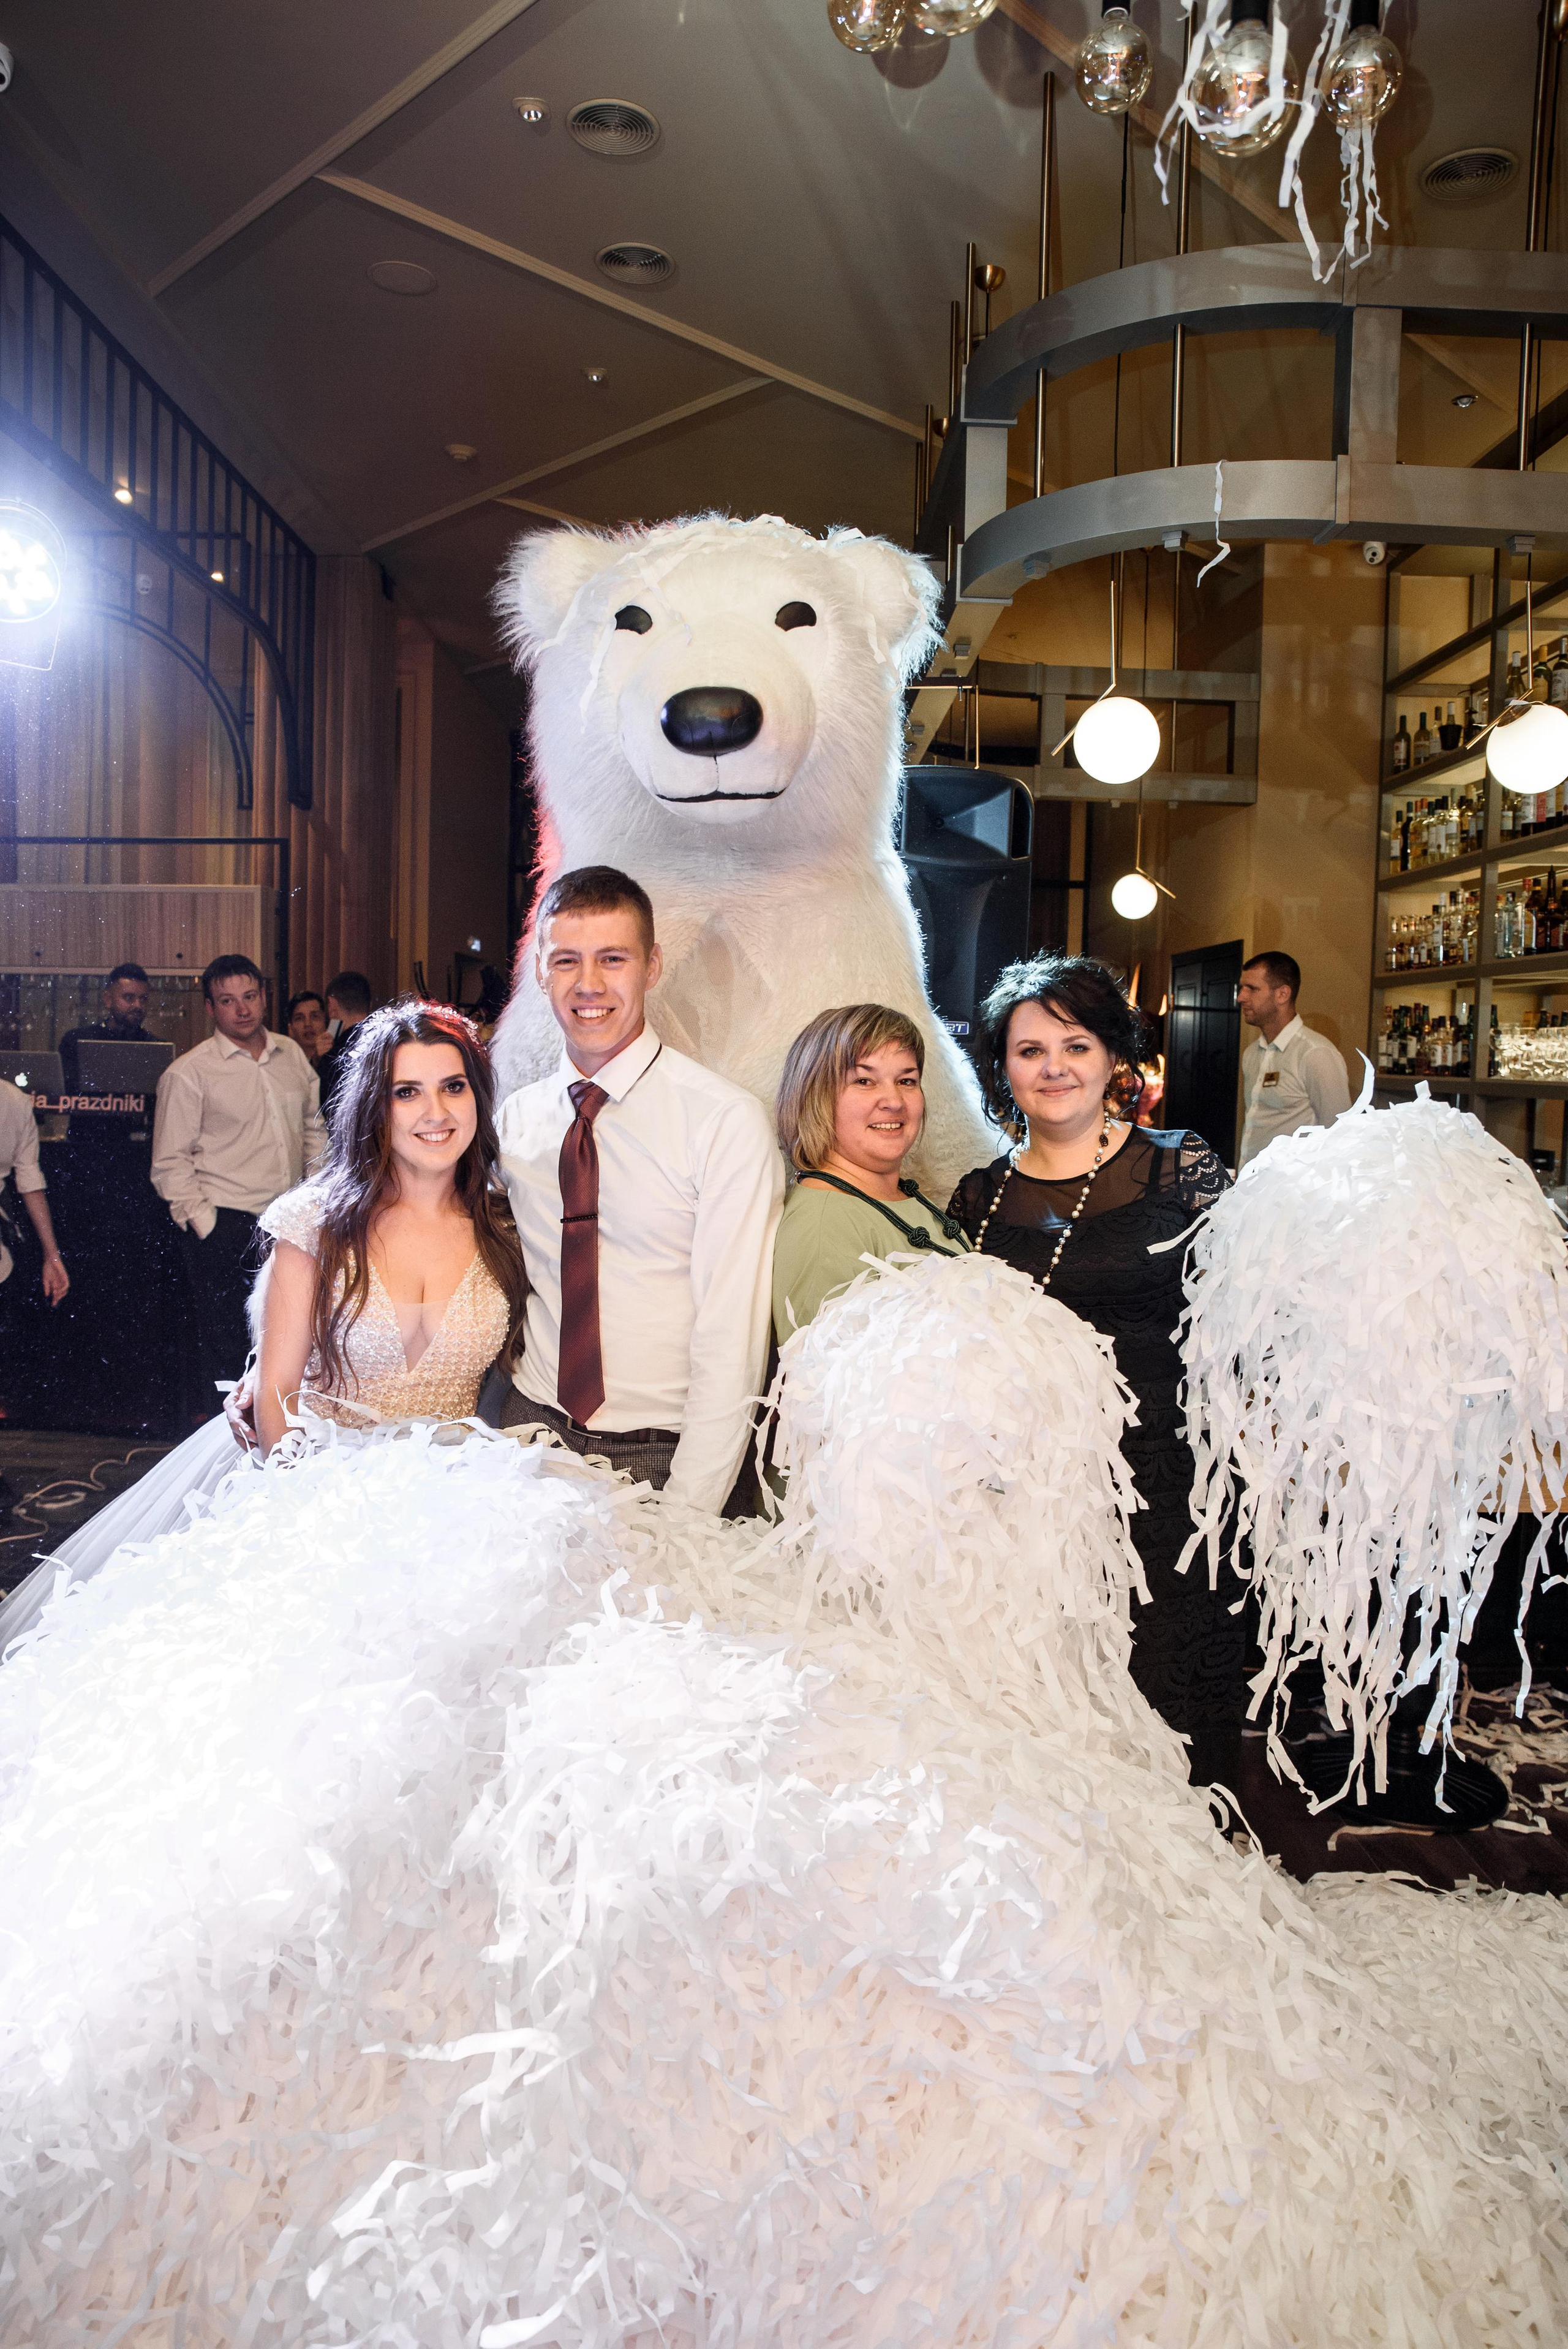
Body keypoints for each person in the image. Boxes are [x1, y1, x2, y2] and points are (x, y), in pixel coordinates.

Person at [0, 1002, 526, 1654]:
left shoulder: (507, 1223)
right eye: (407, 1092)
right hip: (324, 1496)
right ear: (374, 1107)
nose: (436, 1113)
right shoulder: (315, 1224)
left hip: (459, 1502)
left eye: (453, 1087)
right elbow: (276, 1388)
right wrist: (307, 1518)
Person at [949, 953, 1245, 1791]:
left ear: (1114, 1055)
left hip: (1169, 1481)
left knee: (1168, 1702)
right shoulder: (977, 1199)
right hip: (1041, 1495)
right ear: (1003, 1067)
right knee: (1061, 1718)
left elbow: (1245, 1322)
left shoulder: (1180, 1169)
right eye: (1030, 1050)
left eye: (1075, 1045)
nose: (1054, 1068)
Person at [496, 864, 783, 1512]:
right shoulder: (514, 1121)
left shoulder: (722, 1121)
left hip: (661, 1453)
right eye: (566, 960)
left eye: (612, 959)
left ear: (651, 967)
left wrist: (690, 1513)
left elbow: (731, 1337)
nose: (588, 984)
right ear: (539, 969)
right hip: (529, 1432)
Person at [151, 954, 325, 1410]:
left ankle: (278, 1438)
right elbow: (169, 1163)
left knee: (292, 1340)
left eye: (250, 997)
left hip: (288, 1221)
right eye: (228, 1001)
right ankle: (230, 1460)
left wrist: (316, 1197)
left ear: (264, 996)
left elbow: (314, 1132)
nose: (242, 1009)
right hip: (226, 1223)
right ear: (211, 1008)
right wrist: (207, 1225)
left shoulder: (291, 1056)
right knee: (229, 1351)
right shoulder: (190, 1072)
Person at [772, 1001, 968, 1341]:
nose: (893, 1101)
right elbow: (827, 1387)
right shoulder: (825, 1224)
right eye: (864, 1080)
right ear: (815, 1095)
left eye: (907, 1081)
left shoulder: (898, 1196)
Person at [1237, 949, 1351, 1170]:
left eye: (1251, 989)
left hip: (1293, 1195)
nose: (1241, 997)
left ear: (1282, 994)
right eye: (1242, 988)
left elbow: (1339, 1135)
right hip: (1250, 1191)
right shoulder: (1251, 1053)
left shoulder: (1316, 1054)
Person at [57, 962, 156, 1091]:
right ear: (108, 999)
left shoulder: (155, 1046)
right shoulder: (76, 1041)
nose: (138, 1005)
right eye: (129, 998)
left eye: (143, 999)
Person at [315, 969, 374, 1111]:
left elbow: (324, 1115)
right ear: (369, 1004)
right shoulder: (391, 1043)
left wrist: (322, 1060)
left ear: (332, 1005)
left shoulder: (333, 1058)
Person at [286, 989, 331, 1064]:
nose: (308, 1024)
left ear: (325, 1023)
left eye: (315, 1017)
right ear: (291, 1029)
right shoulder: (284, 1065)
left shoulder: (340, 1059)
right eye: (299, 1018)